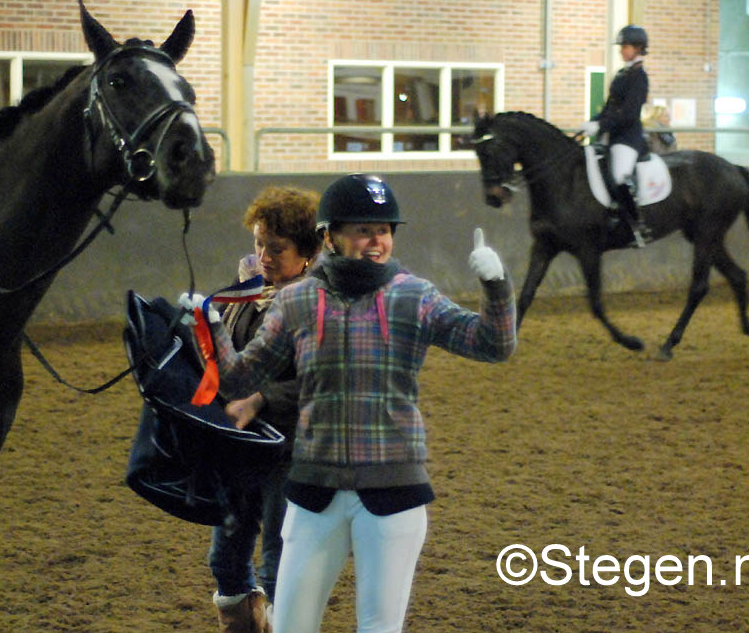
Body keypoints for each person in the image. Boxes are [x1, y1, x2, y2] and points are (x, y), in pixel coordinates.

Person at [183, 173, 517, 633]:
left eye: (383, 230)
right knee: (290, 626)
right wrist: (211, 327)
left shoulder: (414, 296)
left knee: (378, 626)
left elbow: (492, 344)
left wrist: (496, 286)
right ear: (330, 237)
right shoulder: (296, 300)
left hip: (394, 487)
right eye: (362, 229)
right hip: (313, 489)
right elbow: (242, 376)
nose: (375, 240)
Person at [207, 186, 321, 633]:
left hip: (289, 448)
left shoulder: (316, 303)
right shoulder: (247, 292)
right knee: (225, 559)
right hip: (241, 445)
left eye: (277, 248)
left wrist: (260, 400)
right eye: (259, 244)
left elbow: (321, 380)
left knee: (279, 557)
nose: (264, 256)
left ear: (307, 253)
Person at [581, 24, 651, 247]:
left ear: (638, 48)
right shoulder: (622, 74)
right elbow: (610, 107)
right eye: (621, 46)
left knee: (620, 176)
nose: (621, 50)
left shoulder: (639, 77)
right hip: (610, 137)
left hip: (628, 138)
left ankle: (636, 227)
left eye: (626, 46)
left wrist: (601, 125)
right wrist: (594, 120)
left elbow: (629, 114)